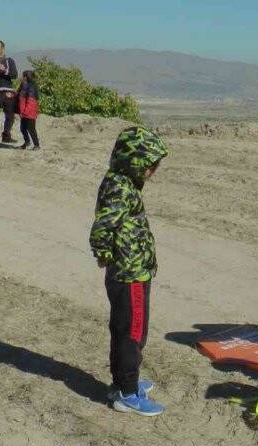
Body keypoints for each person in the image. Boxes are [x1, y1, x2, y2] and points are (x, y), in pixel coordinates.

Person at [89, 126, 169, 416]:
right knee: (132, 333)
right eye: (149, 167)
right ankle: (126, 392)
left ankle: (123, 382)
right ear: (133, 162)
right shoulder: (120, 188)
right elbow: (101, 228)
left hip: (133, 271)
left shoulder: (120, 182)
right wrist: (105, 255)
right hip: (129, 274)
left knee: (128, 329)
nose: (152, 173)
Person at [16, 70, 40, 150]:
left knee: (31, 129)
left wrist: (26, 111)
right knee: (23, 128)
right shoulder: (24, 85)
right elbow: (19, 96)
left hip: (29, 112)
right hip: (24, 112)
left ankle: (36, 145)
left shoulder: (32, 86)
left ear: (25, 77)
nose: (21, 77)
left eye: (22, 76)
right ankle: (27, 142)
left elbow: (31, 101)